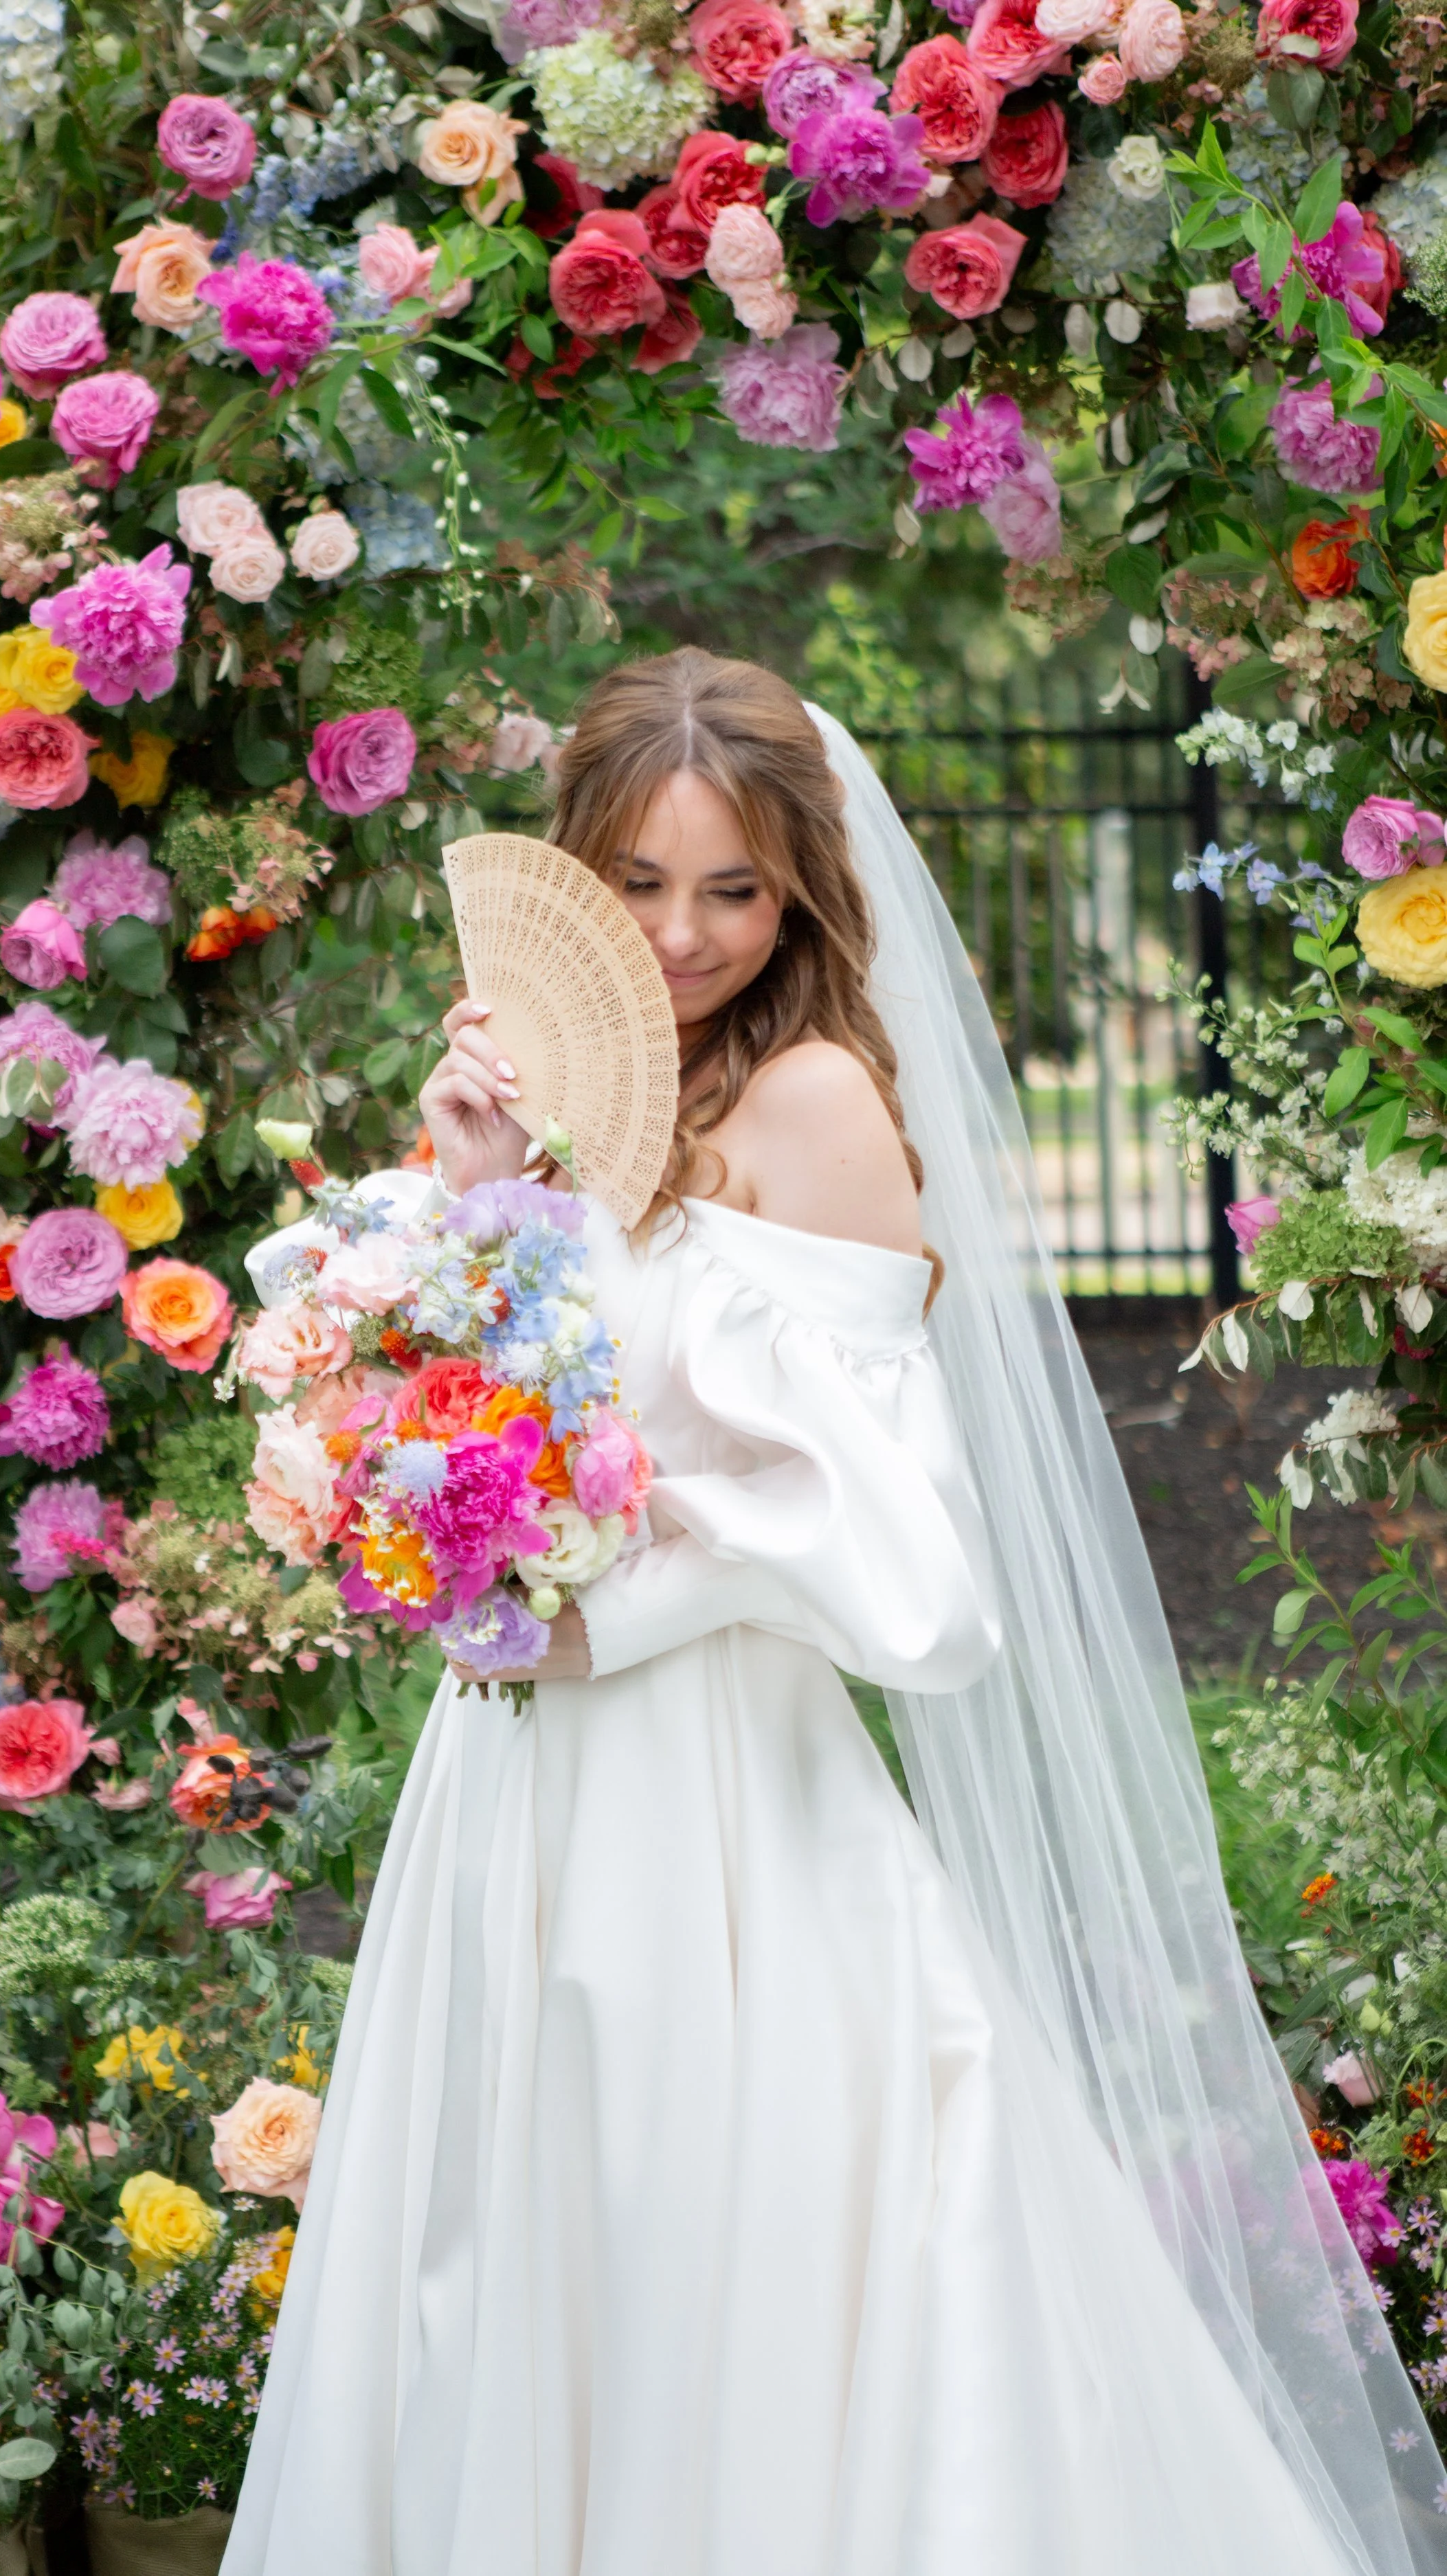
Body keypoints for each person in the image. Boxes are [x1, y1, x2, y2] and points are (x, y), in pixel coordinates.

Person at [225, 651, 1443, 2576]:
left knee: (733, 2228)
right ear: (573, 875)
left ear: (795, 886)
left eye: (732, 886)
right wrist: (469, 1197)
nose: (685, 932)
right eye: (635, 880)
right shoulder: (537, 1087)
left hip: (718, 1787)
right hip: (514, 1778)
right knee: (512, 2238)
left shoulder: (812, 1103)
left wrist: (601, 1614)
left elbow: (896, 1539)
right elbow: (482, 1421)